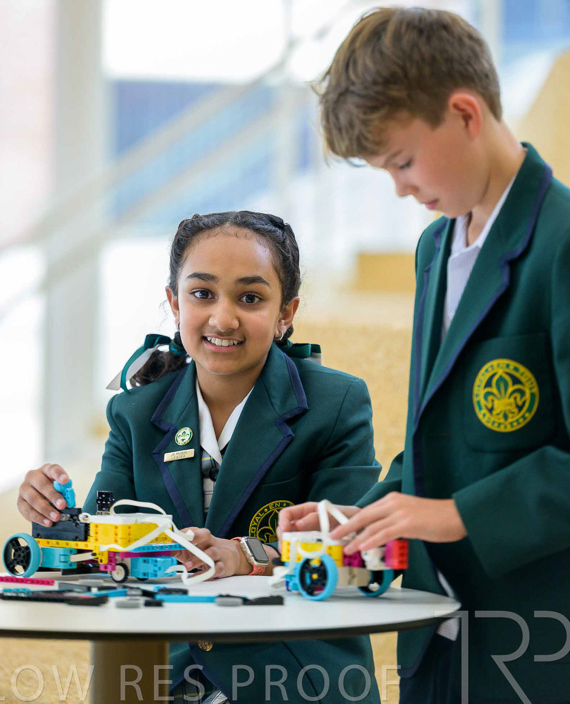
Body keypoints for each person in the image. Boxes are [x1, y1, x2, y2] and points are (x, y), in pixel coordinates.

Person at [279, 7, 570, 704]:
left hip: (541, 649)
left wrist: (456, 516)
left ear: (464, 114)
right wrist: (358, 521)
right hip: (436, 643)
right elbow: (442, 445)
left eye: (402, 161)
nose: (399, 188)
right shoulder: (434, 248)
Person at [17, 210, 381, 703]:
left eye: (250, 298)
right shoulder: (135, 412)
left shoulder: (336, 403)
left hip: (297, 678)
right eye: (202, 293)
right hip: (160, 678)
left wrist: (250, 556)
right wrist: (52, 511)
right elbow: (100, 549)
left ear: (286, 313)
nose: (223, 319)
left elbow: (358, 553)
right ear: (174, 302)